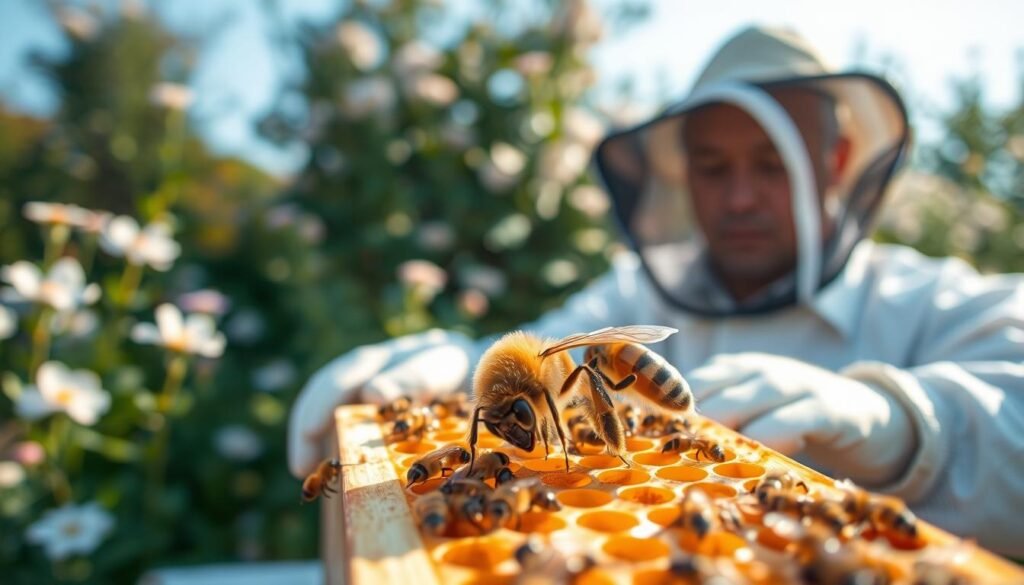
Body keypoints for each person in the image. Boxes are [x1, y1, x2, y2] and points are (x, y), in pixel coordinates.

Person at [288, 26, 1024, 555]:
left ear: (832, 163)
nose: (738, 197)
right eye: (712, 166)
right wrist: (450, 362)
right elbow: (531, 350)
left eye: (771, 164)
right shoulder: (634, 296)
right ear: (684, 176)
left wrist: (904, 425)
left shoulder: (933, 299)